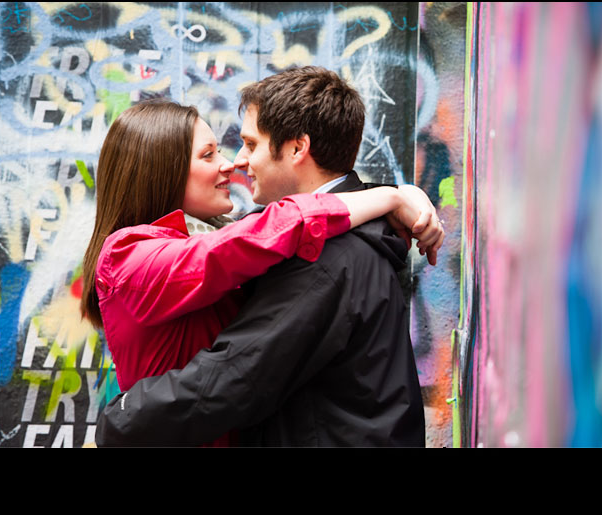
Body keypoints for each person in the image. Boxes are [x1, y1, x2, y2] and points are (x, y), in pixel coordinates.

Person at [96, 66, 440, 446]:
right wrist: (391, 195)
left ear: (296, 149)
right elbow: (248, 238)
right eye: (209, 154)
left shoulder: (326, 252)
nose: (235, 161)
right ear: (163, 170)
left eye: (250, 144)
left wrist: (121, 420)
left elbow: (238, 374)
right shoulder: (132, 253)